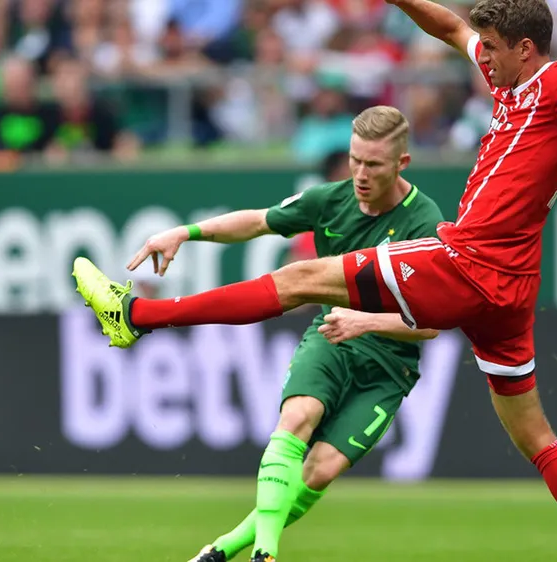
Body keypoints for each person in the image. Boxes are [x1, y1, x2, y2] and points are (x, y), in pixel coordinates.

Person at [73, 1, 557, 561]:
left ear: (527, 48)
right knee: (537, 437)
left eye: (493, 49)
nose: (480, 58)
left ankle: (137, 318)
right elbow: (450, 26)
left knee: (299, 277)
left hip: (471, 261)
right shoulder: (507, 77)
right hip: (511, 290)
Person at [89, 106, 443, 562]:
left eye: (373, 164)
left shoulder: (424, 222)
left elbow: (432, 322)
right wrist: (186, 232)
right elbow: (257, 221)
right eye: (355, 160)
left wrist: (368, 321)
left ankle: (220, 550)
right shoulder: (329, 200)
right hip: (333, 339)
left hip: (389, 367)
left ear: (402, 163)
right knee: (296, 418)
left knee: (318, 472)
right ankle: (265, 552)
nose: (360, 173)